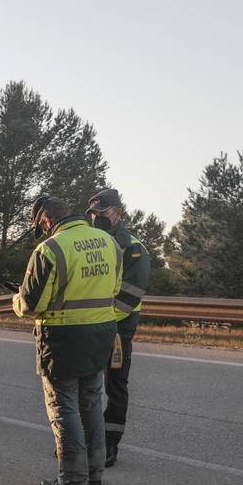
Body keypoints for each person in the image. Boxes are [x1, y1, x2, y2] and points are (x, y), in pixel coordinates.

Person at [13, 196, 121, 485]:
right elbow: (114, 288)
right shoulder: (109, 242)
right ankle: (95, 472)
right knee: (91, 402)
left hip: (63, 337)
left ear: (46, 220)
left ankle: (73, 480)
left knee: (64, 407)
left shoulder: (50, 248)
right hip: (101, 332)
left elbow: (32, 305)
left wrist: (16, 300)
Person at [86, 189, 151, 467]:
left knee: (115, 385)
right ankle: (86, 441)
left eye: (102, 213)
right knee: (85, 385)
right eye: (92, 213)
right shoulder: (90, 244)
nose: (95, 218)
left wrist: (98, 318)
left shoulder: (133, 249)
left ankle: (109, 443)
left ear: (118, 214)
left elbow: (128, 299)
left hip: (117, 328)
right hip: (91, 325)